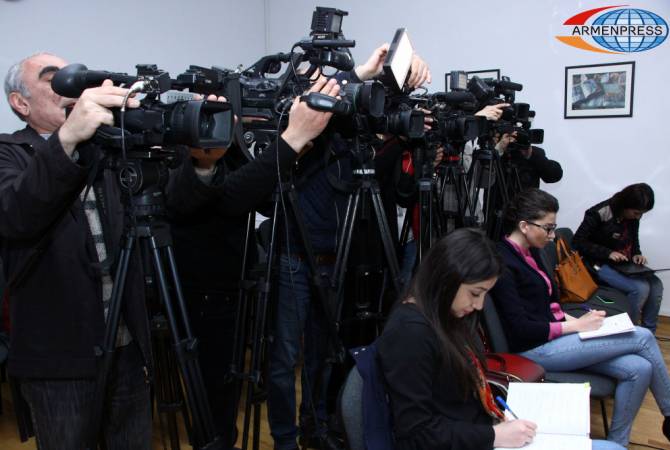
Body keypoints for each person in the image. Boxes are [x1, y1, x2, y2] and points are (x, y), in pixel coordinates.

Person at [266, 43, 431, 450]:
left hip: (335, 260)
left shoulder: (364, 145)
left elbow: (402, 190)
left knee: (325, 351)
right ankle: (285, 439)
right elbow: (326, 95)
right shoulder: (321, 126)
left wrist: (404, 83)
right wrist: (363, 72)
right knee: (286, 357)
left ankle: (318, 425)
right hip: (295, 255)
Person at [168, 76, 342, 449]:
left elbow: (261, 201)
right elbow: (227, 199)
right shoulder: (180, 151)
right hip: (202, 294)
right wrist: (290, 141)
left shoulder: (229, 150)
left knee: (226, 398)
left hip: (235, 287)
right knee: (214, 404)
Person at [376, 228, 623, 450]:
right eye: (475, 293)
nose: (479, 305)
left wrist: (494, 420)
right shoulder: (410, 333)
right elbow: (415, 434)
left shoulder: (442, 313)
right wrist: (493, 436)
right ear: (446, 278)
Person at [490, 188, 670, 447]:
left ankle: (619, 443)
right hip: (534, 349)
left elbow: (547, 303)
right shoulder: (504, 261)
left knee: (640, 368)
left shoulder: (532, 251)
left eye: (554, 228)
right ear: (524, 226)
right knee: (642, 337)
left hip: (554, 337)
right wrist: (573, 327)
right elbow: (520, 329)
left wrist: (578, 320)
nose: (553, 236)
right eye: (548, 228)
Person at [572, 183, 663, 334]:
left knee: (656, 285)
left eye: (642, 214)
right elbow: (577, 242)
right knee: (640, 289)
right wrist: (607, 253)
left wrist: (636, 254)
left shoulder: (632, 216)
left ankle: (648, 332)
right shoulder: (599, 212)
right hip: (596, 264)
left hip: (622, 264)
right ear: (626, 205)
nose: (638, 217)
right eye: (636, 213)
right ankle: (631, 332)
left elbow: (633, 240)